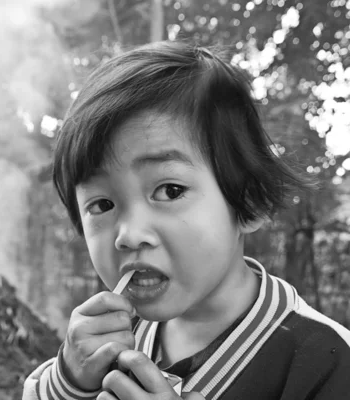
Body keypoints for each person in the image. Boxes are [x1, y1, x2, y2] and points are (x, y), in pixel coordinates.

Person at [22, 40, 350, 400]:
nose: (129, 235)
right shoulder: (108, 342)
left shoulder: (326, 363)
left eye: (170, 191)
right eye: (101, 205)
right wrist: (70, 381)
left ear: (250, 202)